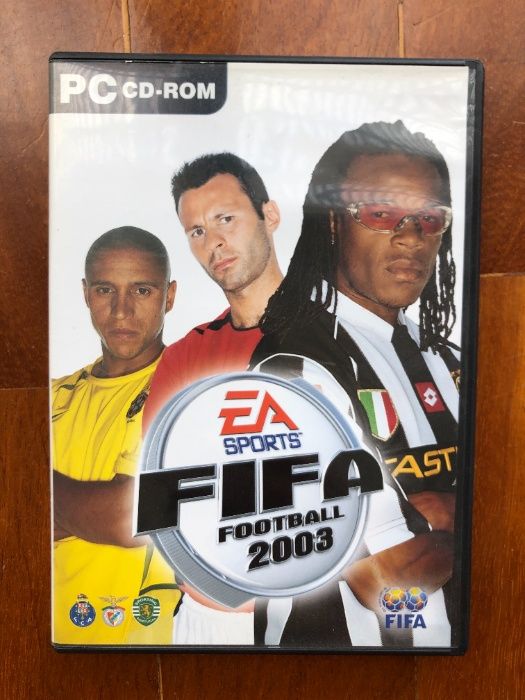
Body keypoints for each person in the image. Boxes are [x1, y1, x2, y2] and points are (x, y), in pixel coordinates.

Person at [252, 120, 460, 647]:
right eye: (381, 213)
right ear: (333, 223)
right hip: (338, 673)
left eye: (429, 217)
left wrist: (444, 519)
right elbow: (388, 582)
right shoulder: (294, 370)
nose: (410, 235)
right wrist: (478, 513)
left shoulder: (451, 360)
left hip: (477, 669)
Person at [143, 153, 283, 644]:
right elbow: (159, 500)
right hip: (211, 619)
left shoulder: (341, 332)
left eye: (226, 219)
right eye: (197, 231)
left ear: (269, 215)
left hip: (323, 610)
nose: (213, 243)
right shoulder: (186, 357)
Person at [52, 226, 179, 645]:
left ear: (169, 296)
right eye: (105, 290)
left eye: (142, 291)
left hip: (135, 645)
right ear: (86, 294)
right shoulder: (51, 397)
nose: (121, 311)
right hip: (40, 640)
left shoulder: (184, 389)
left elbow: (130, 517)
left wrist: (44, 496)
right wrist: (84, 509)